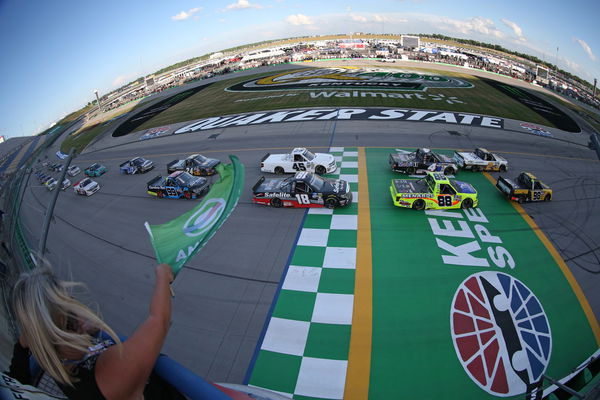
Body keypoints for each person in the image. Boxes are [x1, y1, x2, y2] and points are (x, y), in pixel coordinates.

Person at [7, 262, 183, 399]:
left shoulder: (56, 360)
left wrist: (24, 344)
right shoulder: (108, 374)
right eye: (69, 307)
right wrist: (163, 276)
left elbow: (20, 367)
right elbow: (158, 321)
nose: (76, 303)